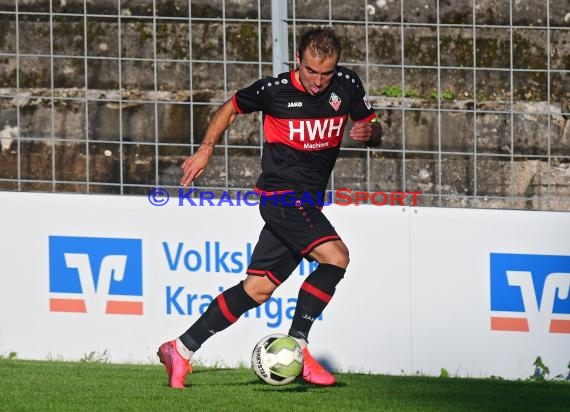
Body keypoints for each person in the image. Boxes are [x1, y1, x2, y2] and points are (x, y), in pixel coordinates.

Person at [158, 26, 382, 389]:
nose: (318, 80)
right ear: (298, 60)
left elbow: (373, 127)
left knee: (257, 290)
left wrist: (371, 134)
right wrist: (206, 149)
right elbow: (230, 107)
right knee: (337, 257)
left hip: (307, 202)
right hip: (280, 198)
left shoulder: (347, 85)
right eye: (311, 70)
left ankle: (179, 349)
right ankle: (300, 346)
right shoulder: (274, 91)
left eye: (326, 73)